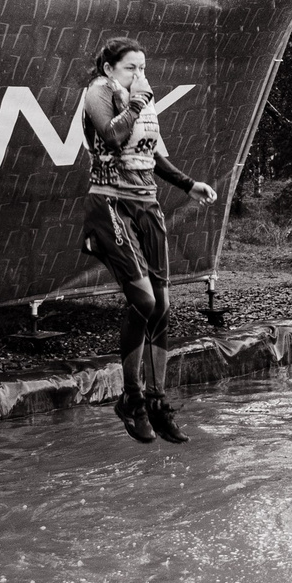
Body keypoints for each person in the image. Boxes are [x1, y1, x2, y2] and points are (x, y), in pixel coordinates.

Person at [78, 37, 216, 444]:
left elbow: (150, 154)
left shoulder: (143, 98)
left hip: (148, 206)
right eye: (130, 68)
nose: (140, 75)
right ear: (109, 70)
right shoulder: (97, 95)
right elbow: (114, 136)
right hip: (110, 204)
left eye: (143, 67)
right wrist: (136, 101)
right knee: (144, 300)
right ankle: (131, 398)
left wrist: (188, 184)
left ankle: (156, 401)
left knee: (163, 306)